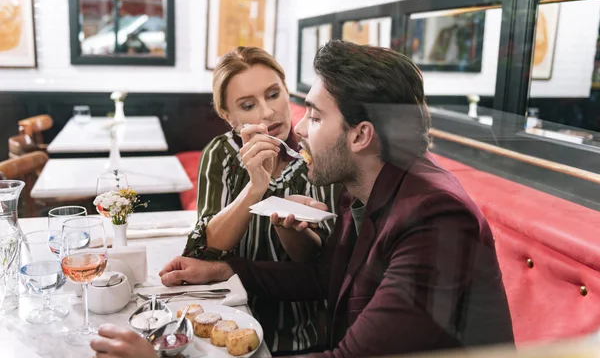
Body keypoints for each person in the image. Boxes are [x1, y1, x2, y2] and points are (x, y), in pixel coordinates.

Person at [91, 41, 514, 358]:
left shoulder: (434, 218)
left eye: (314, 116)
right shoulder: (367, 184)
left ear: (360, 134)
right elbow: (321, 278)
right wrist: (224, 268)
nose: (301, 130)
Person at [184, 46, 340, 354]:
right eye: (247, 105)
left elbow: (318, 267)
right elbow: (206, 251)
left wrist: (292, 229)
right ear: (229, 117)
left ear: (287, 91)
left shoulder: (319, 153)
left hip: (302, 335)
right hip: (227, 324)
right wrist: (255, 188)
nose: (267, 112)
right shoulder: (222, 154)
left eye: (273, 94)